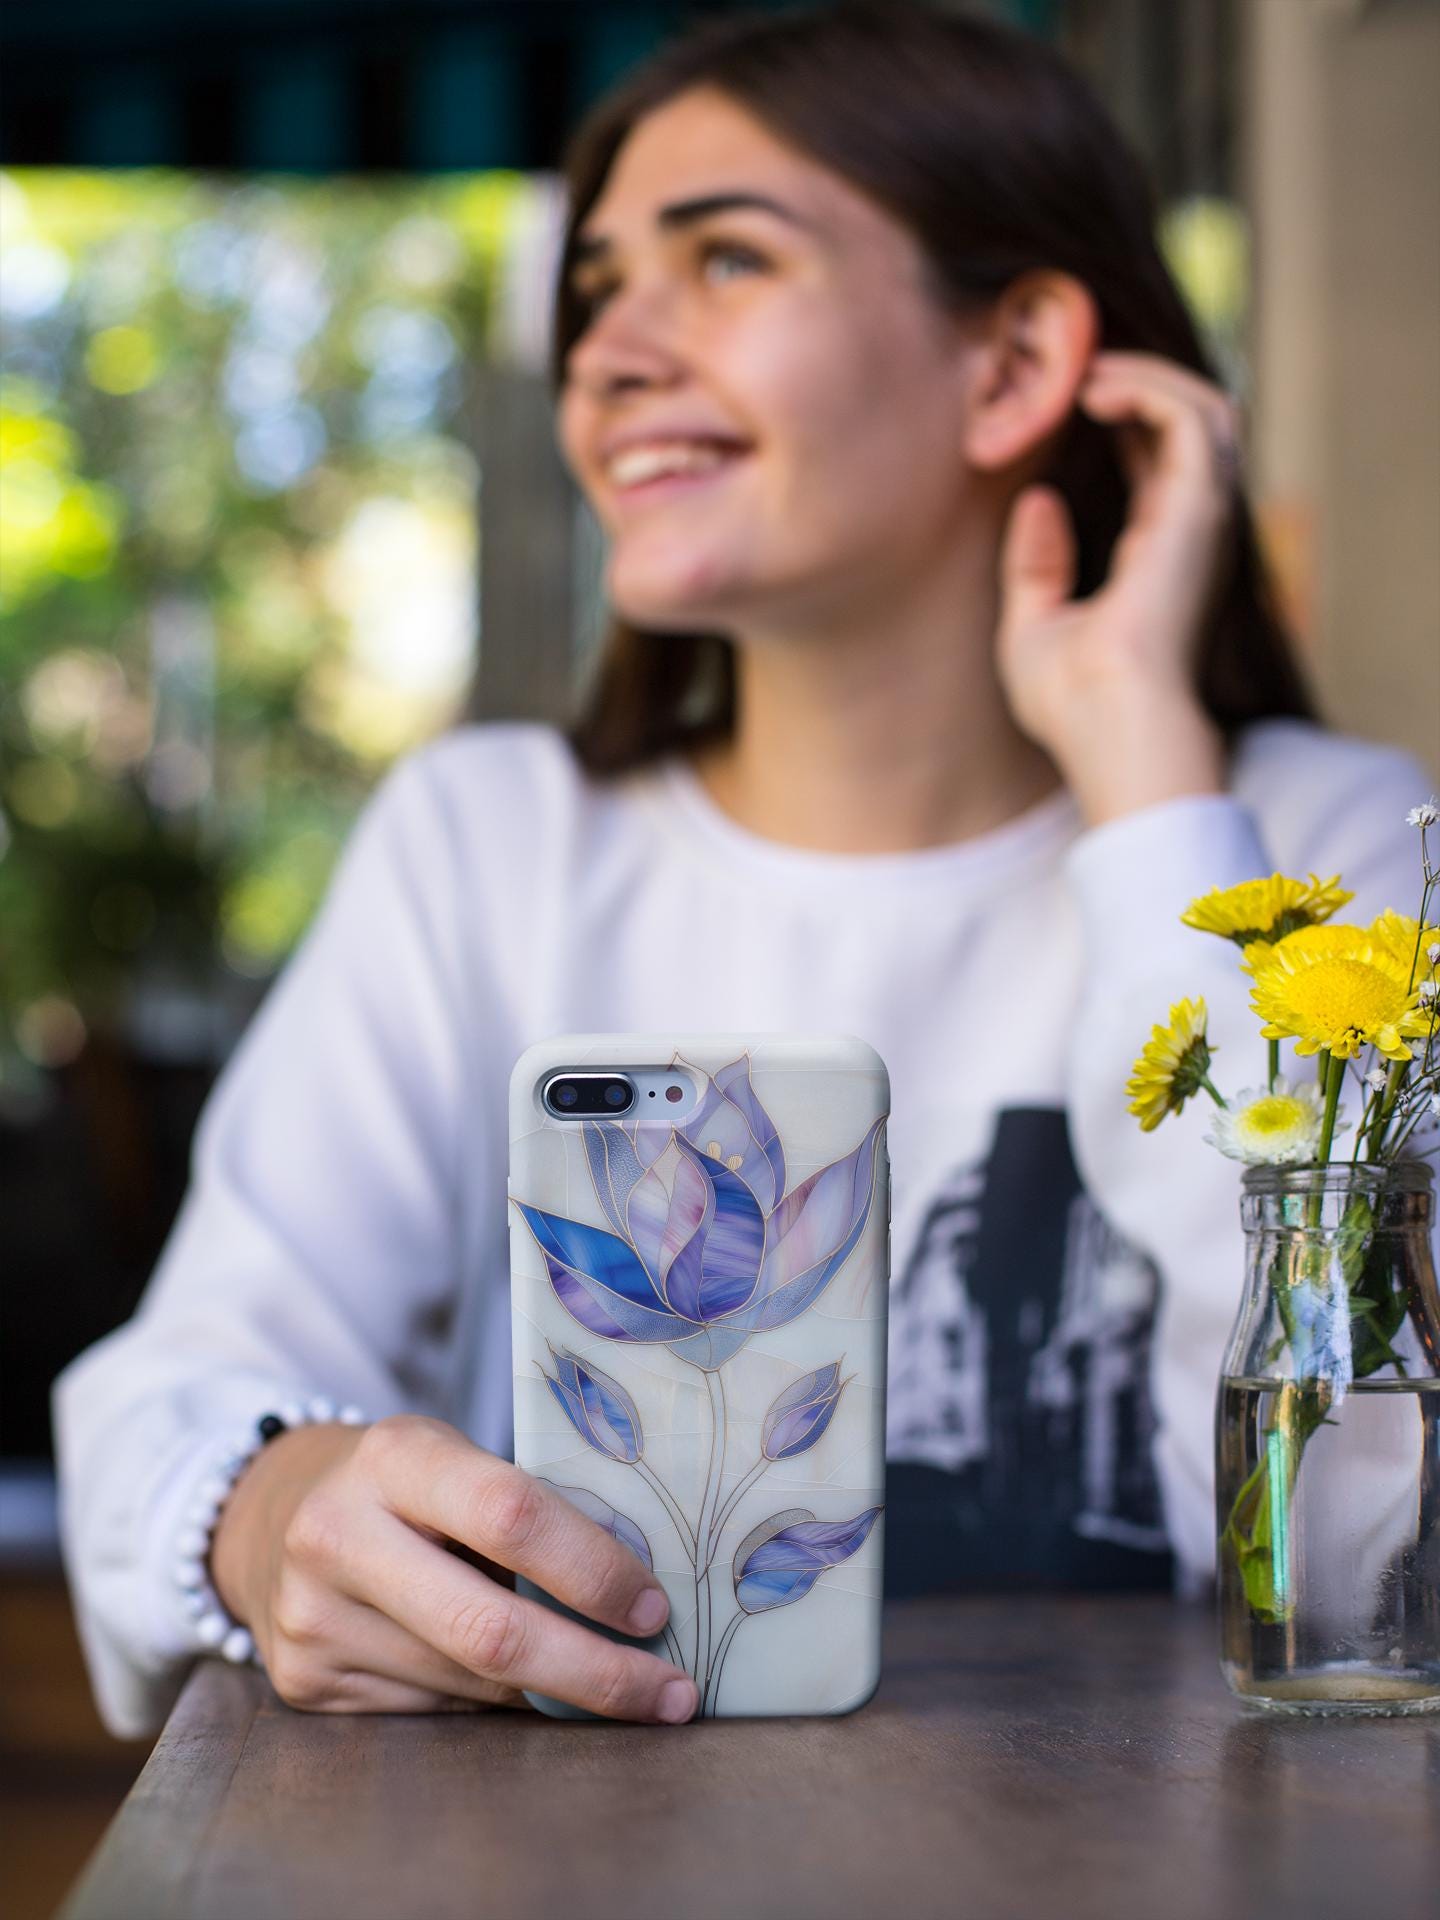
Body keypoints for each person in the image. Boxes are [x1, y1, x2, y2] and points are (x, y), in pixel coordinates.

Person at [53, 0, 1437, 1740]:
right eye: (596, 289)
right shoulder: (489, 842)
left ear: (1014, 363)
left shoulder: (1314, 848)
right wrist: (269, 1522)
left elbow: (1375, 1549)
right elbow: (176, 1392)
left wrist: (1151, 789)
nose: (607, 355)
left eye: (725, 261)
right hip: (575, 1826)